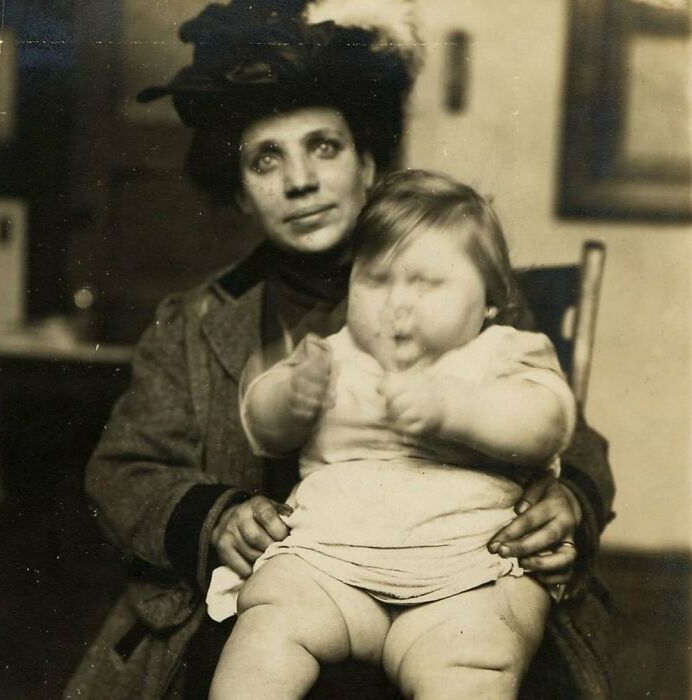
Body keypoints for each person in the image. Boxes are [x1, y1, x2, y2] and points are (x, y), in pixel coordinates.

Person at [65, 2, 615, 699]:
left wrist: (570, 501)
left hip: (458, 591)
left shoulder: (449, 292)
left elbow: (570, 431)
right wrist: (213, 516)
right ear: (240, 192)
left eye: (324, 147)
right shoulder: (196, 322)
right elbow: (122, 470)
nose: (300, 180)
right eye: (268, 159)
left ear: (368, 163)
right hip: (284, 599)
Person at [207, 170, 578, 699]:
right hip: (327, 566)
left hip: (463, 579)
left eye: (426, 283)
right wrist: (288, 399)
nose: (396, 302)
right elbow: (261, 429)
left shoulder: (502, 353)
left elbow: (547, 424)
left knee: (476, 663)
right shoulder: (334, 354)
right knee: (267, 627)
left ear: (490, 299)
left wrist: (455, 410)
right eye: (375, 279)